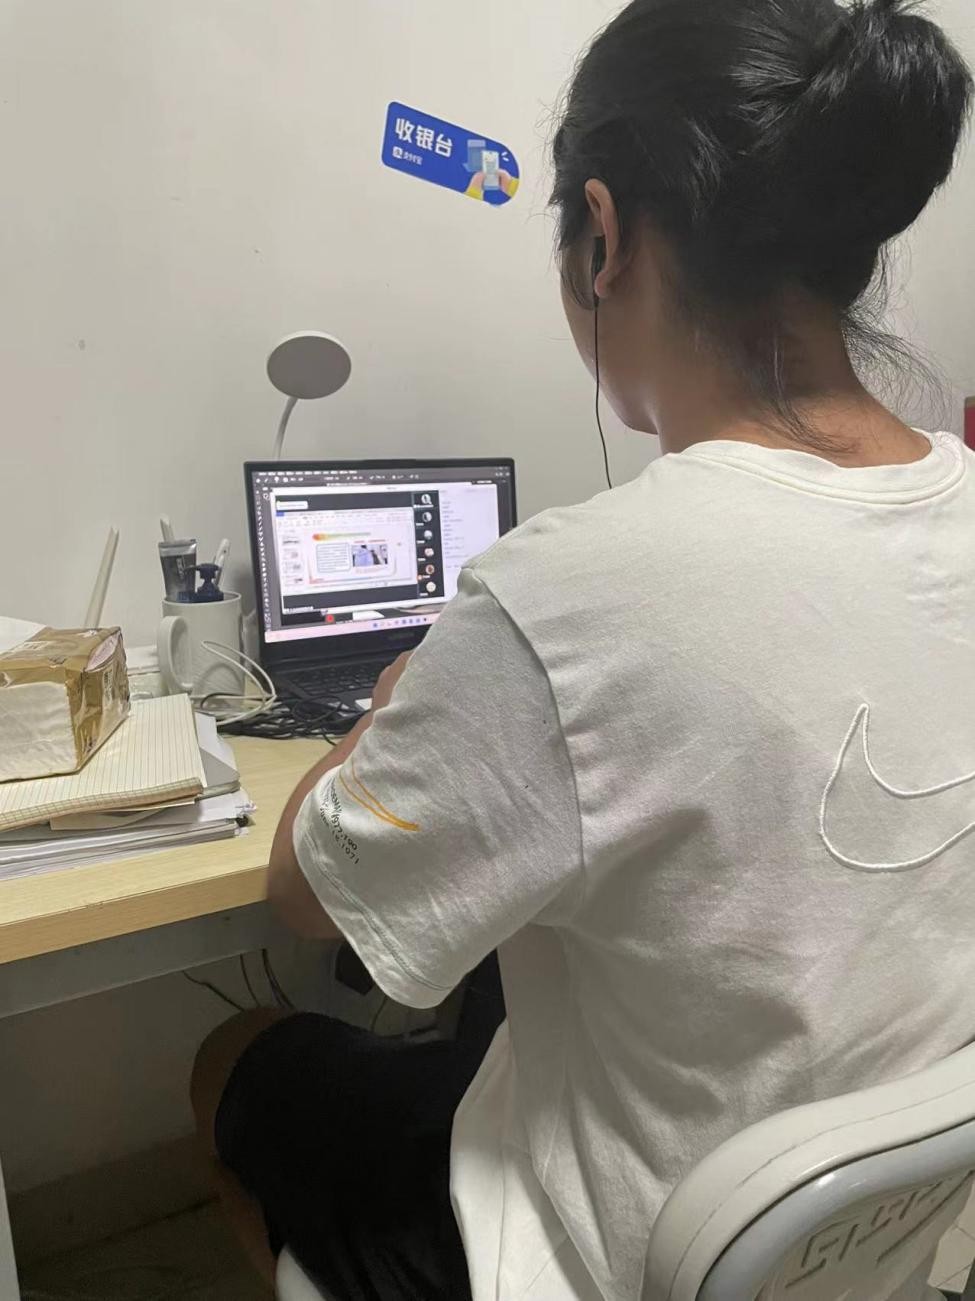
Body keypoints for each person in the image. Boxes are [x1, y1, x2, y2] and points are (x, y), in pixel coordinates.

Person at [191, 0, 975, 1297]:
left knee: (242, 1063)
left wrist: (395, 709)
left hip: (603, 1263)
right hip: (887, 1241)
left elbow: (305, 895)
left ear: (602, 236)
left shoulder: (563, 596)